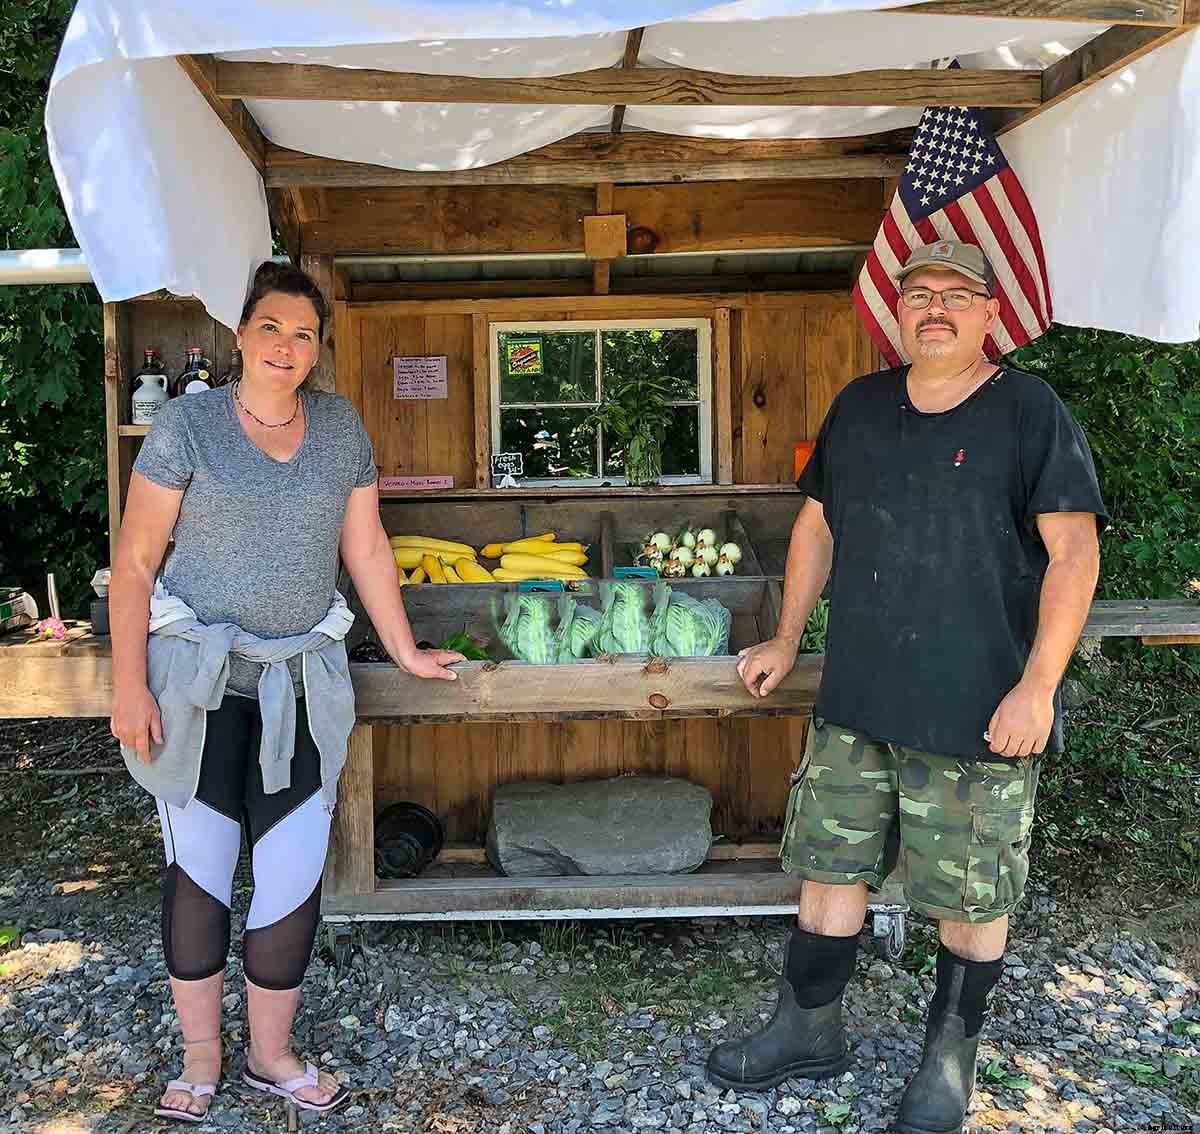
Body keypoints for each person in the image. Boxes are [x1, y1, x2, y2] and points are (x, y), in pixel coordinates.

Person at [710, 241, 1107, 1134]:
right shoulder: (860, 406)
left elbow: (1074, 556)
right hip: (857, 698)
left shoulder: (1029, 413)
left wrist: (1038, 688)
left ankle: (947, 1064)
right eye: (917, 292)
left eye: (956, 296)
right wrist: (783, 636)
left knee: (972, 898)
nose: (935, 308)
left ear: (991, 315)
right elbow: (816, 527)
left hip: (979, 711)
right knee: (826, 871)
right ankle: (807, 1029)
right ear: (896, 310)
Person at [108, 261, 465, 1122]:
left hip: (301, 686)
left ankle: (272, 1055)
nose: (287, 346)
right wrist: (128, 686)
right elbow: (135, 561)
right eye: (272, 327)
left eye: (304, 334)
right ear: (241, 334)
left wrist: (408, 649)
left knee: (292, 872)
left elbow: (368, 549)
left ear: (317, 349)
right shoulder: (189, 427)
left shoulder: (341, 430)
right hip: (195, 688)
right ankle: (200, 1062)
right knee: (199, 872)